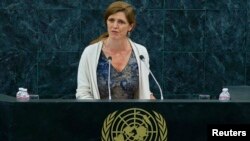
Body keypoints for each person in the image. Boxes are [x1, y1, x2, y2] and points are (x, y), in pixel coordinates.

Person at [76, 1, 155, 99]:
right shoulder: (90, 53)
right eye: (111, 20)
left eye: (121, 22)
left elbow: (144, 89)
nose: (114, 26)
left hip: (131, 114)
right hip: (98, 113)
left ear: (130, 26)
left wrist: (150, 99)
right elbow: (83, 93)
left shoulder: (141, 52)